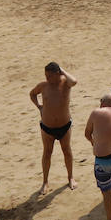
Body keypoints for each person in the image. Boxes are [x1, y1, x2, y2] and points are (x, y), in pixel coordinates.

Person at [29, 62, 77, 193]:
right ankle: (45, 182)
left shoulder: (65, 83)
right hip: (47, 127)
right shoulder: (43, 86)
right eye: (45, 75)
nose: (47, 78)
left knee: (66, 151)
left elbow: (74, 81)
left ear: (58, 73)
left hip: (65, 126)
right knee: (47, 153)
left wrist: (62, 70)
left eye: (49, 75)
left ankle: (70, 177)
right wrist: (39, 106)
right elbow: (32, 94)